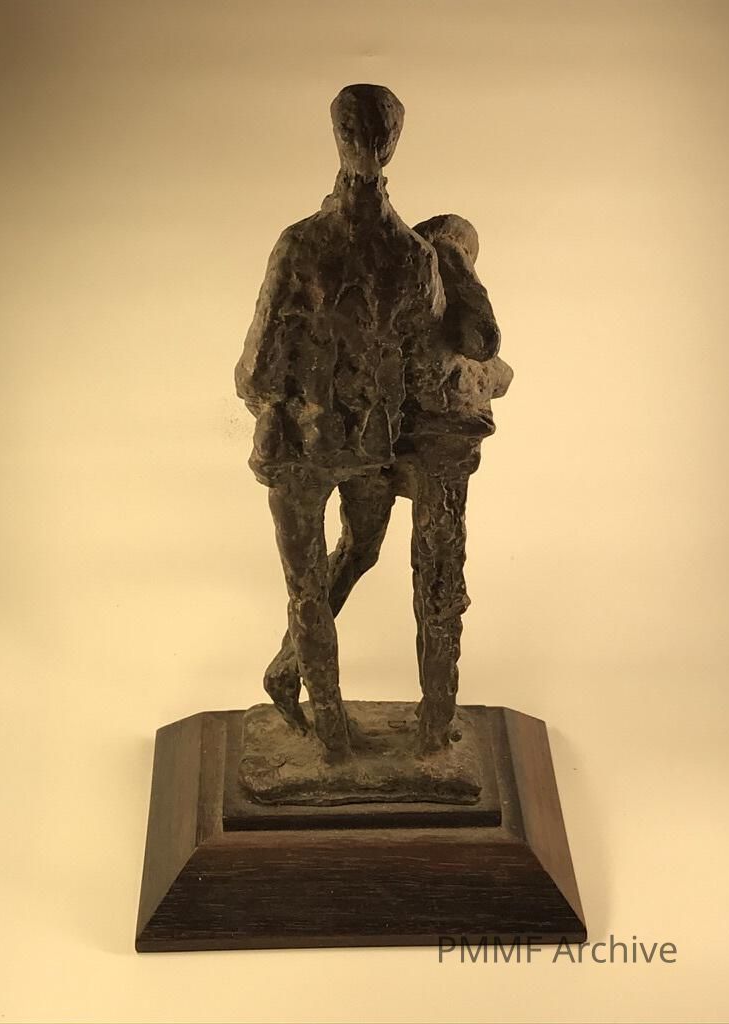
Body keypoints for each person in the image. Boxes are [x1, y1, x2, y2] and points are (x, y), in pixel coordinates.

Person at [235, 84, 444, 759]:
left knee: (350, 558)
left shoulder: (373, 251)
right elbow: (419, 358)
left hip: (343, 441)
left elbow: (258, 366)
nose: (366, 148)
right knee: (321, 577)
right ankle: (329, 731)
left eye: (370, 136)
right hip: (325, 440)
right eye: (362, 135)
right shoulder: (395, 253)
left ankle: (288, 669)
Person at [262, 214, 512, 753]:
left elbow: (484, 363)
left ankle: (295, 671)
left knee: (369, 556)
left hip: (394, 449)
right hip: (417, 456)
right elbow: (484, 346)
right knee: (432, 581)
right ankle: (431, 727)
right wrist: (457, 259)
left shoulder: (414, 301)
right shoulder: (431, 289)